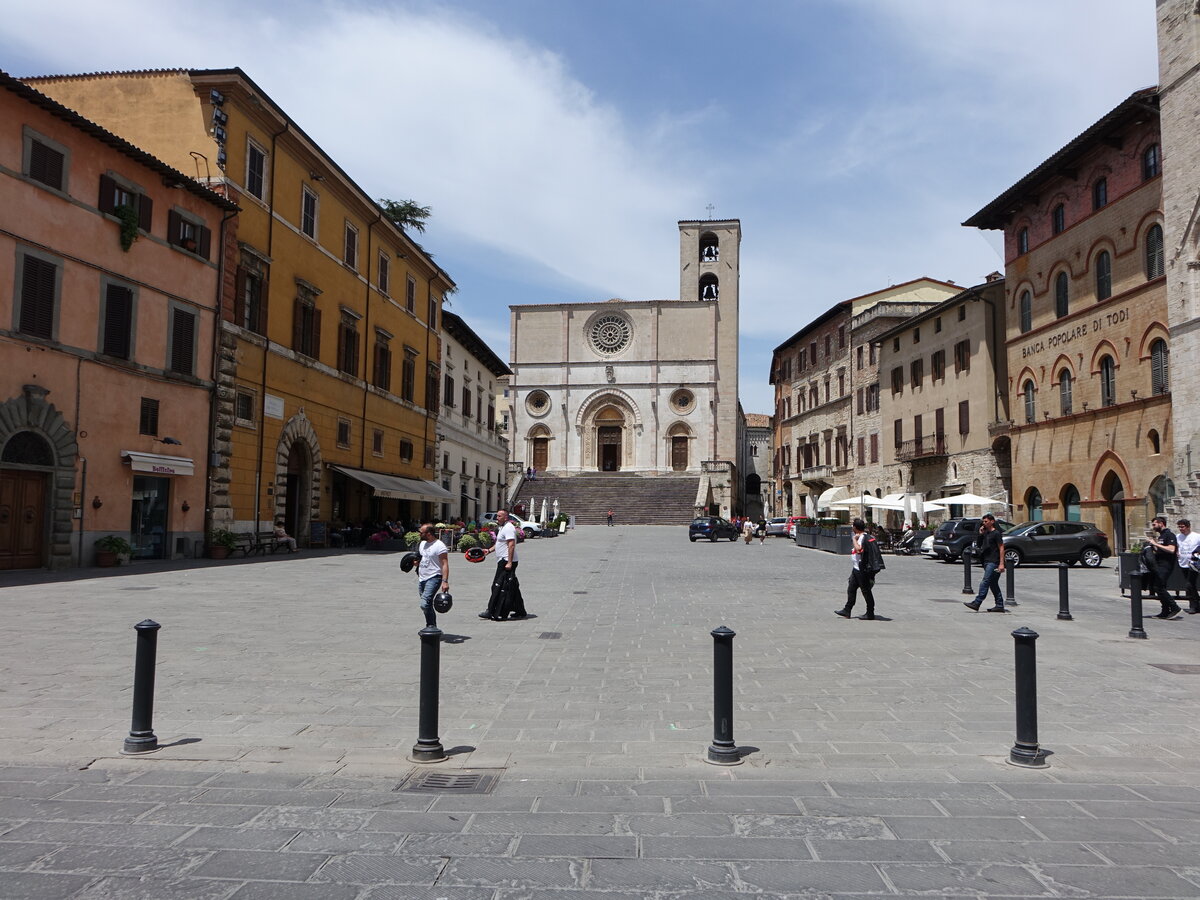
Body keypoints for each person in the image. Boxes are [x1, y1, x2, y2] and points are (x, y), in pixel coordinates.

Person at [480, 509, 528, 621]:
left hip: (506, 561)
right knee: (512, 586)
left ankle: (491, 610)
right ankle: (520, 610)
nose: (497, 518)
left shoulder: (508, 528)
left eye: (499, 516)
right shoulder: (502, 527)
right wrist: (489, 550)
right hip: (503, 560)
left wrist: (509, 562)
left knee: (497, 585)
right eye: (497, 516)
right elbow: (499, 544)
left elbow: (511, 545)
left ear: (506, 517)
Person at [836, 518, 880, 620]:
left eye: (853, 526)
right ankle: (847, 610)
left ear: (855, 527)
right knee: (851, 589)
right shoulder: (860, 536)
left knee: (866, 591)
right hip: (856, 569)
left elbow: (859, 550)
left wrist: (854, 540)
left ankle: (870, 613)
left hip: (862, 570)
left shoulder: (862, 538)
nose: (852, 527)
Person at [964, 513, 1006, 612]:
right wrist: (980, 534)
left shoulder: (996, 533)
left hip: (994, 561)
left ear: (992, 522)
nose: (984, 523)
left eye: (986, 521)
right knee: (993, 583)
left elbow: (1001, 547)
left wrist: (1001, 563)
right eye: (983, 521)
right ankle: (999, 605)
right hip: (986, 560)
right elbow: (979, 544)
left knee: (985, 581)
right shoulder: (985, 533)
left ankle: (977, 602)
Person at [1146, 515, 1183, 618]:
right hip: (1160, 564)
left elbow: (1171, 549)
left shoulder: (1169, 535)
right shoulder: (1161, 536)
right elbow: (1161, 550)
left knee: (1158, 586)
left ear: (1161, 523)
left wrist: (1156, 544)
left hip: (1166, 565)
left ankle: (1175, 607)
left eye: (1154, 524)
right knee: (1158, 587)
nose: (1153, 527)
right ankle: (1165, 611)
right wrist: (1153, 546)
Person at [414, 523, 449, 628]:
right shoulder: (422, 544)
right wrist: (417, 563)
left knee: (424, 604)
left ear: (429, 534)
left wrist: (445, 581)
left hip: (434, 577)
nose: (419, 534)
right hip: (422, 577)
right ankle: (431, 626)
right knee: (427, 604)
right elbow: (423, 558)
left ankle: (431, 626)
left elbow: (444, 564)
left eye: (421, 532)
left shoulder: (439, 546)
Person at [1176, 518, 1200, 614]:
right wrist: (1177, 552)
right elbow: (1176, 546)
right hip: (1183, 562)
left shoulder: (1196, 536)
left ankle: (1195, 605)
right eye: (1179, 527)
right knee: (1190, 585)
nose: (1181, 529)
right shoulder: (1178, 537)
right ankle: (1194, 605)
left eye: (1183, 527)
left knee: (1189, 584)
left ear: (1188, 527)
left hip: (1193, 563)